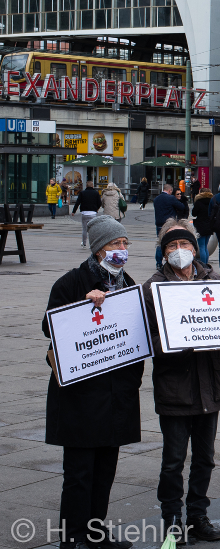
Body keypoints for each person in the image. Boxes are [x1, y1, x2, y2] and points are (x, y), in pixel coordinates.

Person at [43, 216, 141, 549]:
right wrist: (84, 305)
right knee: (79, 473)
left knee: (105, 471)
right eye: (116, 244)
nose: (122, 250)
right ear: (99, 248)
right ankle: (71, 538)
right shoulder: (71, 282)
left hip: (115, 395)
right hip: (81, 397)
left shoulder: (128, 283)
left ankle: (96, 534)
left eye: (125, 244)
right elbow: (50, 325)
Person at [142, 220, 220, 544]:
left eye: (184, 246)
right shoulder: (153, 288)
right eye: (171, 247)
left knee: (205, 457)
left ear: (195, 248)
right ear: (163, 253)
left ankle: (198, 516)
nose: (179, 252)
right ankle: (172, 520)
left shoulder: (215, 282)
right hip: (175, 386)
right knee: (173, 461)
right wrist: (174, 341)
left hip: (210, 383)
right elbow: (146, 338)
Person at [153, 184, 187, 271]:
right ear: (170, 190)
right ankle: (169, 261)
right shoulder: (171, 198)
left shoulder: (156, 199)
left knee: (160, 243)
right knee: (170, 242)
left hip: (159, 223)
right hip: (169, 224)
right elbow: (181, 207)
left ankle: (158, 263)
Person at [72, 181, 102, 248]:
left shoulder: (82, 193)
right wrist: (97, 209)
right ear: (92, 186)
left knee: (84, 229)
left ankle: (84, 243)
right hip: (93, 213)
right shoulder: (96, 193)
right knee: (92, 229)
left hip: (84, 213)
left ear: (86, 186)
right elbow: (100, 203)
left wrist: (73, 211)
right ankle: (92, 243)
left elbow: (77, 202)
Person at [191, 188, 215, 264]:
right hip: (209, 225)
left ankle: (203, 265)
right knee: (205, 246)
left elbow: (194, 213)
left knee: (201, 247)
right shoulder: (213, 202)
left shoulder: (198, 202)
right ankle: (206, 263)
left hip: (200, 225)